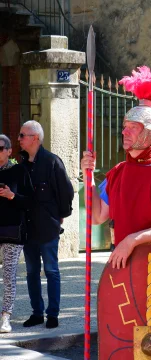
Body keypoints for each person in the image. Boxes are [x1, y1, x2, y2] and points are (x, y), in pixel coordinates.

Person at [80, 66, 151, 271]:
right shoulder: (118, 172)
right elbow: (96, 217)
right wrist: (89, 178)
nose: (124, 132)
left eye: (133, 127)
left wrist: (132, 240)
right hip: (124, 267)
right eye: (124, 126)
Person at [19, 121, 74, 329]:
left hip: (48, 227)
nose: (19, 139)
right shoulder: (22, 165)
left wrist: (60, 215)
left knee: (51, 271)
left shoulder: (52, 161)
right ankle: (36, 313)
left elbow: (66, 191)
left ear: (35, 138)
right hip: (28, 228)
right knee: (32, 272)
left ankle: (53, 314)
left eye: (22, 135)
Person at [0, 134, 33, 333]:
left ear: (9, 150)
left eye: (0, 147)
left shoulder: (19, 171)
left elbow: (31, 200)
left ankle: (6, 317)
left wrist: (12, 196)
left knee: (9, 275)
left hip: (13, 231)